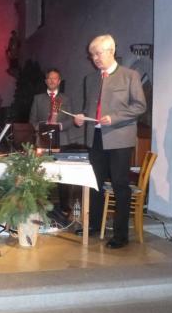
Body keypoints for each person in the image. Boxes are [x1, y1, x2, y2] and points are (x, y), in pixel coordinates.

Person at [73, 34, 146, 249]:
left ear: (111, 51)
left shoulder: (130, 76)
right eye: (92, 55)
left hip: (119, 138)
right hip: (95, 137)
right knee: (95, 183)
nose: (94, 58)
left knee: (119, 185)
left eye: (98, 53)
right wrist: (80, 117)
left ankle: (121, 235)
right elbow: (90, 107)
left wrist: (114, 118)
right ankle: (95, 225)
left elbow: (140, 107)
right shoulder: (91, 79)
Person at [29, 68, 72, 214]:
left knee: (63, 174)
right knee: (42, 173)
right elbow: (32, 120)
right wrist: (41, 129)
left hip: (62, 140)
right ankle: (42, 204)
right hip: (42, 141)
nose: (52, 81)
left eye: (55, 78)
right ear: (46, 81)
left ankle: (64, 205)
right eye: (50, 78)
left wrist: (60, 126)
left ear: (59, 81)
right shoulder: (37, 98)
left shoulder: (65, 99)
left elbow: (71, 120)